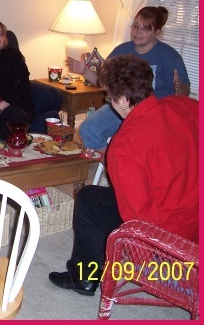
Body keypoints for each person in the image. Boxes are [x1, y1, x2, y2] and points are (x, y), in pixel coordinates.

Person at [49, 55, 198, 296]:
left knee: (88, 198)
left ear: (124, 100)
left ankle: (84, 278)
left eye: (109, 97)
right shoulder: (188, 106)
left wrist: (138, 256)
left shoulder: (124, 146)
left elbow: (136, 219)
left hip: (171, 241)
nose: (109, 103)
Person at [66, 6, 190, 150]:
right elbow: (103, 82)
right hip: (120, 107)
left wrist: (180, 89)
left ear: (156, 32)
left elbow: (184, 93)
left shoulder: (169, 56)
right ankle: (110, 160)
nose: (137, 32)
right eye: (135, 26)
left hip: (153, 113)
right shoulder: (121, 50)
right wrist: (84, 71)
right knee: (87, 130)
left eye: (145, 29)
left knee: (136, 142)